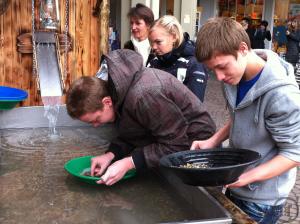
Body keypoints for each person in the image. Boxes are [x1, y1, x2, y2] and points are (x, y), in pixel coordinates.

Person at [192, 17, 300, 224]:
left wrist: (247, 177)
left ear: (242, 49)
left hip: (262, 199)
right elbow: (242, 116)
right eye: (213, 70)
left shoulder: (282, 96)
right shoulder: (234, 77)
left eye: (222, 67)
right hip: (237, 183)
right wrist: (213, 140)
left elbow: (294, 153)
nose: (220, 77)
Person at [66, 49, 216, 186]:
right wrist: (111, 154)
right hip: (171, 140)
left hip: (198, 148)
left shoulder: (145, 95)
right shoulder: (119, 93)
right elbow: (133, 131)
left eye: (96, 119)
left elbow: (176, 144)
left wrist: (129, 163)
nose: (95, 126)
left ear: (107, 102)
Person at [147, 15, 208, 102]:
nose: (153, 47)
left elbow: (195, 107)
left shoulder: (193, 64)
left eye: (158, 42)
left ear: (174, 37)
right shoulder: (153, 62)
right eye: (151, 42)